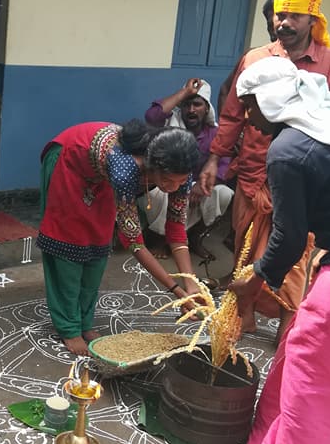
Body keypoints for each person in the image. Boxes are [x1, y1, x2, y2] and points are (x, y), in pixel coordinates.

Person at [223, 57, 330, 444]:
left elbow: (288, 241)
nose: (248, 119)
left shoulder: (289, 150)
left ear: (270, 101)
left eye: (250, 107)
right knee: (298, 346)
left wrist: (250, 286)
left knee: (318, 364)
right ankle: (273, 441)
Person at [199, 0, 330, 343]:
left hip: (308, 177)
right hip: (254, 173)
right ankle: (246, 315)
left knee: (297, 253)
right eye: (280, 15)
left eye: (294, 16)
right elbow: (234, 115)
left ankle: (286, 325)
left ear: (312, 18)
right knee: (245, 247)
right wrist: (213, 160)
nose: (284, 22)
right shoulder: (255, 59)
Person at [37, 120, 205, 357]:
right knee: (67, 246)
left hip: (100, 175)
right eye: (167, 180)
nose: (173, 187)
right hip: (70, 161)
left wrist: (191, 282)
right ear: (152, 166)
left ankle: (85, 323)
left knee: (98, 245)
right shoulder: (126, 169)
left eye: (180, 181)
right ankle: (69, 327)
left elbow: (176, 228)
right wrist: (177, 291)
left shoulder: (180, 175)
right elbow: (135, 242)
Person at [144, 78, 232, 255]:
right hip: (169, 183)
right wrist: (184, 93)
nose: (191, 110)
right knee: (158, 193)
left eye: (197, 104)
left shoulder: (214, 133)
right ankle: (163, 240)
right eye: (186, 104)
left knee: (224, 194)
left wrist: (202, 185)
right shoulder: (171, 125)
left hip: (197, 187)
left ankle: (195, 238)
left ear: (206, 108)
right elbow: (152, 116)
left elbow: (224, 164)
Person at [216, 0, 279, 117]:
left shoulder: (321, 61)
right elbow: (225, 91)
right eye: (270, 24)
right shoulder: (253, 57)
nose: (275, 28)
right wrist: (226, 133)